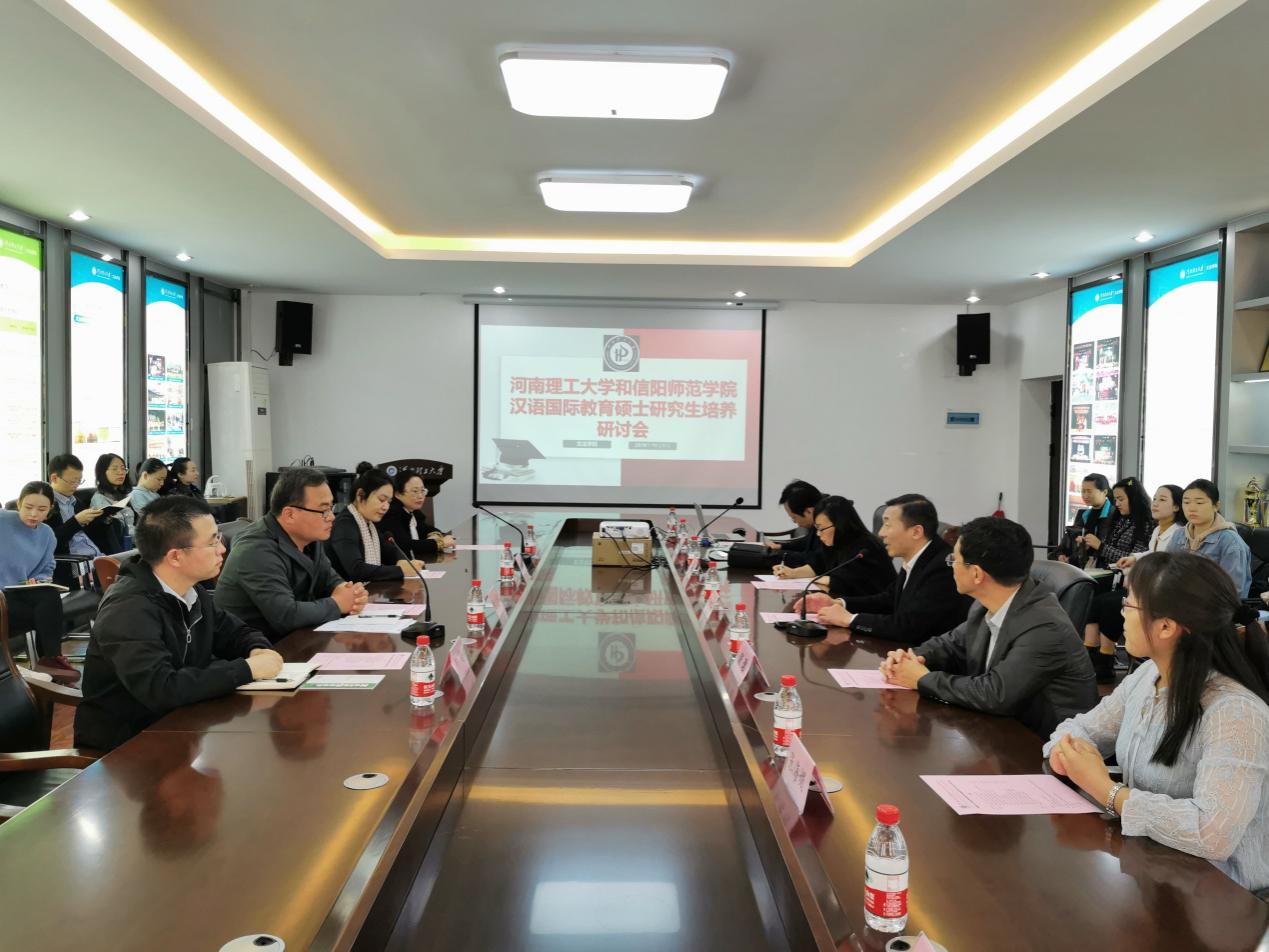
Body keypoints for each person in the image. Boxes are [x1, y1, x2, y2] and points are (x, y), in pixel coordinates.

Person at [1044, 552, 1269, 894]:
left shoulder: (1235, 712)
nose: (1121, 613)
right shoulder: (1148, 675)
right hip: (1155, 870)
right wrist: (1070, 754)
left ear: (1166, 626)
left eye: (1129, 604)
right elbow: (1083, 729)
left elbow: (1212, 833)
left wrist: (1107, 791)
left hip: (1224, 896)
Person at [74, 496, 284, 752]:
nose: (222, 549)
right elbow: (162, 688)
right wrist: (247, 669)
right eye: (212, 542)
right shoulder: (128, 610)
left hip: (185, 728)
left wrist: (256, 649)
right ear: (175, 556)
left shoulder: (191, 591)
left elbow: (234, 632)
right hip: (127, 748)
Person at [881, 516, 1098, 737]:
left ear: (976, 573)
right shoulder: (986, 605)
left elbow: (995, 694)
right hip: (999, 730)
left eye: (954, 560)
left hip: (1045, 744)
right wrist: (913, 658)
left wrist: (922, 679)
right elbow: (950, 644)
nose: (951, 567)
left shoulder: (1045, 626)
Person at [214, 467, 368, 642]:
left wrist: (349, 592)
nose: (331, 517)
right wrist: (338, 603)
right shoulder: (255, 550)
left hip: (297, 640)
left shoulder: (309, 539)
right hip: (256, 649)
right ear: (290, 514)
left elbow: (329, 581)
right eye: (323, 510)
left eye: (331, 507)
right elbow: (286, 616)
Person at [810, 495, 971, 643]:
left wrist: (850, 620)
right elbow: (888, 599)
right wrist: (839, 603)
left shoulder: (943, 568)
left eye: (887, 525)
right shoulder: (918, 558)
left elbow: (908, 627)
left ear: (916, 531)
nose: (881, 533)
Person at [0, 482, 79, 683]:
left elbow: (46, 567)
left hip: (18, 592)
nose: (34, 514)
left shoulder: (46, 534)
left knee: (48, 596)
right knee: (47, 616)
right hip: (1, 596)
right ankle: (50, 663)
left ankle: (50, 659)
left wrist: (40, 580)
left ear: (50, 509)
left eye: (42, 509)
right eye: (28, 507)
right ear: (19, 503)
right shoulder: (2, 521)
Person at [1080, 477, 1155, 683]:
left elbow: (1131, 558)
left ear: (1134, 499)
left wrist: (1101, 546)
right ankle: (1090, 658)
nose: (1117, 503)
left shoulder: (1147, 524)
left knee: (1107, 603)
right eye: (1116, 499)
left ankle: (1104, 660)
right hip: (1111, 575)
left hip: (1130, 580)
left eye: (1121, 499)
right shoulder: (1119, 519)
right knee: (1087, 595)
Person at [782, 495, 895, 600]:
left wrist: (824, 581)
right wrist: (793, 572)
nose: (818, 534)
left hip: (873, 609)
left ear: (840, 525)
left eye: (821, 529)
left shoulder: (865, 548)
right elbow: (818, 565)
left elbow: (849, 584)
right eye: (816, 528)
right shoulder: (836, 542)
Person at [328, 463, 427, 583]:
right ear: (360, 495)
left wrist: (407, 563)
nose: (386, 507)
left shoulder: (369, 524)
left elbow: (390, 551)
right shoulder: (345, 525)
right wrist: (401, 570)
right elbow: (356, 570)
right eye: (381, 500)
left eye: (389, 502)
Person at [1160, 479, 1253, 599]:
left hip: (1213, 606)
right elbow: (1166, 571)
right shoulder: (1179, 535)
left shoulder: (1230, 542)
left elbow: (1233, 592)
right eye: (1186, 502)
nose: (1191, 508)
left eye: (1199, 503)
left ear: (1216, 506)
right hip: (1179, 601)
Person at [43, 453, 104, 565]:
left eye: (79, 481)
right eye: (72, 482)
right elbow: (49, 542)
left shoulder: (76, 502)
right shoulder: (45, 505)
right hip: (75, 564)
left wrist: (103, 520)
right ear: (54, 478)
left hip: (97, 556)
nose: (76, 486)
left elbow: (90, 534)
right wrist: (76, 521)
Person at [380, 469, 454, 560]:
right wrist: (440, 543)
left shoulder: (413, 511)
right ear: (398, 494)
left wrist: (435, 535)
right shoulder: (391, 513)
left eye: (422, 491)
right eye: (415, 491)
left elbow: (428, 529)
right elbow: (405, 546)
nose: (420, 496)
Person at [763, 479, 824, 569]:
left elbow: (816, 559)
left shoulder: (829, 526)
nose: (795, 522)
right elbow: (807, 542)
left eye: (794, 517)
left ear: (809, 511)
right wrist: (780, 546)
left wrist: (780, 554)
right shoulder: (818, 518)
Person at [1056, 473, 1113, 566]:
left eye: (1089, 491)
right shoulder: (1083, 515)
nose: (1085, 495)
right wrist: (1060, 555)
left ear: (1104, 492)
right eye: (1083, 491)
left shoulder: (1114, 515)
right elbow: (1067, 542)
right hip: (1080, 565)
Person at [89, 452, 135, 552]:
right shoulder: (99, 499)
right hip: (120, 548)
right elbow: (116, 532)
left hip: (134, 543)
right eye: (115, 469)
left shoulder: (123, 495)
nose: (121, 472)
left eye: (123, 468)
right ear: (102, 472)